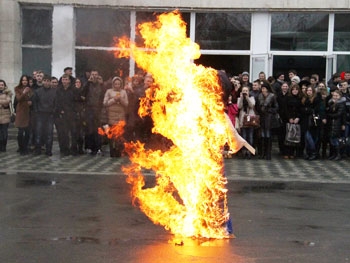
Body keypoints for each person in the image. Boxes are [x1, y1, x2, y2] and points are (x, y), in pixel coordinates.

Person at [103, 76, 129, 157]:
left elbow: (126, 104)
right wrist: (114, 99)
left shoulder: (123, 92)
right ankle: (112, 152)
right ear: (113, 84)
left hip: (120, 117)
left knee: (119, 136)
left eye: (119, 84)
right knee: (111, 136)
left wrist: (120, 99)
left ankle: (118, 152)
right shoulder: (109, 91)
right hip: (111, 116)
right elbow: (105, 103)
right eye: (115, 84)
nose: (117, 85)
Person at [32, 75, 56, 156]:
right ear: (42, 81)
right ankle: (37, 149)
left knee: (49, 134)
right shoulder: (37, 91)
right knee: (38, 133)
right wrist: (36, 111)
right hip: (40, 114)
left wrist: (53, 111)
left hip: (50, 115)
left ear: (50, 82)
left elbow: (56, 103)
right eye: (45, 80)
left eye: (48, 80)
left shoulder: (54, 92)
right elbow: (34, 102)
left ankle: (48, 150)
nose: (46, 82)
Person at [300, 86, 326, 160]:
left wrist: (308, 110)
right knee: (307, 137)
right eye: (307, 90)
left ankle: (314, 152)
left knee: (313, 138)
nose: (309, 92)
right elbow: (302, 109)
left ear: (313, 91)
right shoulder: (304, 99)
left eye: (310, 90)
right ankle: (309, 152)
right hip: (305, 121)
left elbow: (318, 110)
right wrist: (307, 110)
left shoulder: (317, 99)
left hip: (314, 121)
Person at [84, 70, 105, 155]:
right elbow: (82, 93)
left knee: (98, 130)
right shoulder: (88, 85)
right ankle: (90, 147)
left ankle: (98, 148)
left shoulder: (101, 85)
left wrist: (102, 84)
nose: (94, 76)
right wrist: (88, 83)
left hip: (98, 110)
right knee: (89, 129)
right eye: (93, 74)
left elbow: (104, 96)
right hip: (89, 110)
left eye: (96, 74)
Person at [256, 82, 278, 160]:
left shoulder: (272, 97)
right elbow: (257, 108)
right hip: (262, 118)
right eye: (262, 89)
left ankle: (268, 154)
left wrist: (269, 109)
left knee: (268, 135)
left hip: (269, 118)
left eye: (264, 88)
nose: (263, 90)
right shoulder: (259, 96)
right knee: (262, 136)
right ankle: (262, 153)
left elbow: (276, 107)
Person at [55, 74, 76, 156]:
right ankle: (64, 149)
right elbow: (57, 101)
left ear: (69, 80)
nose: (64, 81)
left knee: (73, 132)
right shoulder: (58, 90)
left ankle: (73, 148)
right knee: (63, 132)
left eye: (66, 79)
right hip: (62, 114)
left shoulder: (73, 90)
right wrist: (60, 110)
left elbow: (74, 101)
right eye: (63, 79)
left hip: (71, 113)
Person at [14, 75, 33, 155]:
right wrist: (24, 92)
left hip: (28, 112)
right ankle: (21, 147)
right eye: (23, 80)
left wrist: (31, 102)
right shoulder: (17, 88)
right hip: (21, 111)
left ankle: (25, 147)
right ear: (21, 81)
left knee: (27, 132)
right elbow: (18, 99)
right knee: (20, 132)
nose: (24, 82)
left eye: (26, 80)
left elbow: (32, 98)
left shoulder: (30, 88)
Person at [326, 90, 346, 160]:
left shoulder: (341, 104)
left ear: (340, 96)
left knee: (335, 139)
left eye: (336, 96)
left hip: (337, 123)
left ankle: (338, 154)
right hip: (331, 123)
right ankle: (334, 154)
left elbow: (339, 114)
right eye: (334, 95)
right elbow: (328, 110)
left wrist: (330, 115)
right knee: (332, 139)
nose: (335, 97)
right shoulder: (330, 103)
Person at [237, 86, 256, 159]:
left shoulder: (252, 98)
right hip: (243, 119)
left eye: (246, 91)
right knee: (244, 136)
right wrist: (242, 98)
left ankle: (250, 151)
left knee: (250, 137)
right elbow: (239, 106)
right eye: (243, 91)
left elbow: (252, 105)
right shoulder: (240, 98)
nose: (245, 92)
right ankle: (244, 151)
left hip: (250, 119)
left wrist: (247, 98)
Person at [285, 83, 303, 158]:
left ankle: (293, 153)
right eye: (293, 89)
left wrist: (298, 118)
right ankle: (287, 152)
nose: (295, 91)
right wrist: (289, 118)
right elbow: (285, 109)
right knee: (288, 136)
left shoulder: (300, 98)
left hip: (297, 119)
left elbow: (301, 109)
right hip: (289, 119)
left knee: (295, 136)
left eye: (296, 89)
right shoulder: (287, 98)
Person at [276, 82, 290, 158]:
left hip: (287, 117)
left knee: (287, 135)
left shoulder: (289, 95)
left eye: (286, 86)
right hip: (280, 117)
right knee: (280, 135)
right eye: (283, 86)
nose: (285, 87)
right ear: (281, 87)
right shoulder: (278, 95)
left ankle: (286, 150)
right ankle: (281, 150)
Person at [72, 77, 86, 154]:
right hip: (74, 114)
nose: (78, 84)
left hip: (82, 115)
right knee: (74, 132)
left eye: (79, 82)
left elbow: (84, 100)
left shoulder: (83, 91)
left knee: (81, 133)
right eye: (76, 82)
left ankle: (80, 148)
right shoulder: (73, 91)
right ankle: (74, 148)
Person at [0, 79, 13, 152]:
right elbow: (4, 103)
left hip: (5, 115)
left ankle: (3, 146)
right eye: (0, 85)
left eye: (2, 85)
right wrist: (2, 103)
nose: (1, 86)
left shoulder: (8, 92)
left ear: (4, 86)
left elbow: (7, 101)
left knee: (4, 132)